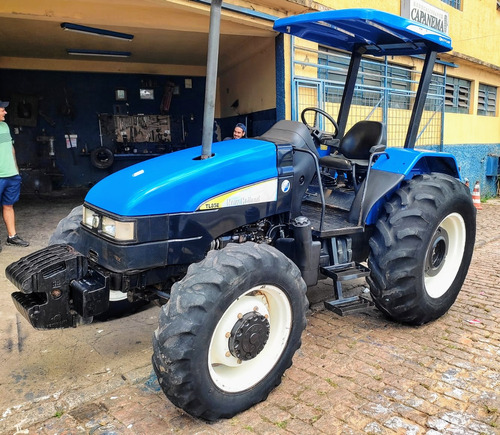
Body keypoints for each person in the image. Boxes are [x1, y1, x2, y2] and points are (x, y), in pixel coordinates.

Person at [0, 100, 29, 251]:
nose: (5, 112)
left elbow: (10, 148)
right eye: (2, 109)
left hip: (11, 174)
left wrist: (16, 169)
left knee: (8, 205)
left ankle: (12, 237)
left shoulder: (4, 126)